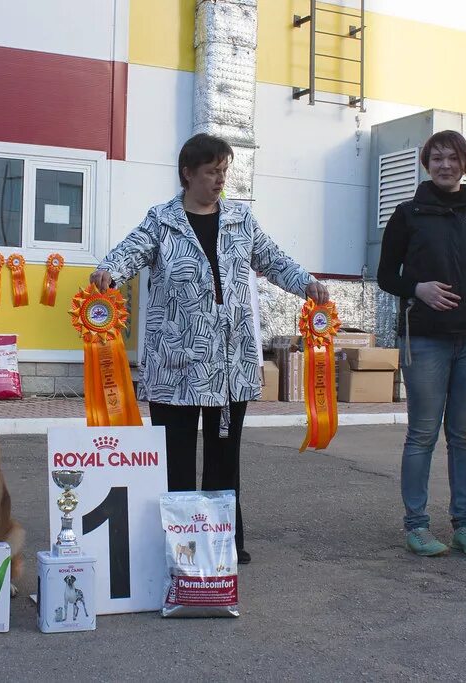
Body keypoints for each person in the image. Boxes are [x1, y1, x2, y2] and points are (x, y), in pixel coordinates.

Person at [90, 133, 328, 565]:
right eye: (211, 172)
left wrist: (306, 282)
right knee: (176, 461)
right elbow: (129, 252)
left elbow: (273, 260)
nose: (220, 180)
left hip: (228, 365)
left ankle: (224, 543)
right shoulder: (160, 220)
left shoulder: (241, 219)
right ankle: (178, 546)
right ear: (188, 173)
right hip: (174, 363)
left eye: (223, 171)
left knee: (224, 459)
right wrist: (108, 270)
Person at [377, 130, 466, 557]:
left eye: (452, 158)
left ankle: (464, 526)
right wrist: (417, 288)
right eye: (436, 158)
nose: (444, 165)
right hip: (427, 342)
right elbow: (385, 275)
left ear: (464, 163)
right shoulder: (408, 213)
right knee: (421, 435)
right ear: (426, 163)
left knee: (465, 436)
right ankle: (416, 525)